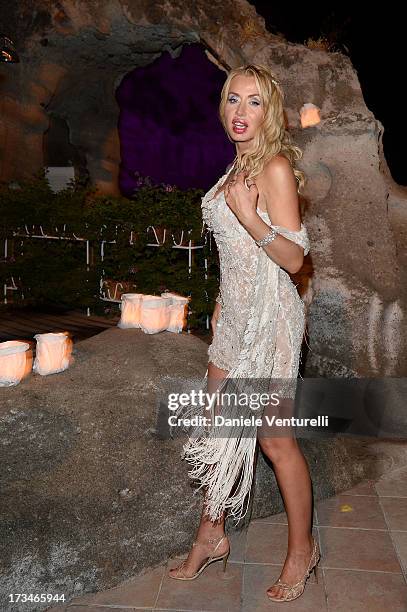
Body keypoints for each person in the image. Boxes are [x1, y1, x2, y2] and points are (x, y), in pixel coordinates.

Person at [169, 64, 320, 603]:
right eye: (233, 99)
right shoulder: (234, 167)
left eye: (254, 102)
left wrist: (252, 219)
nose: (240, 112)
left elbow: (296, 257)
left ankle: (302, 551)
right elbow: (234, 260)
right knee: (215, 427)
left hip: (272, 319)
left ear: (270, 111)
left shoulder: (274, 167)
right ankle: (212, 534)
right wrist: (218, 306)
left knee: (275, 441)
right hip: (234, 314)